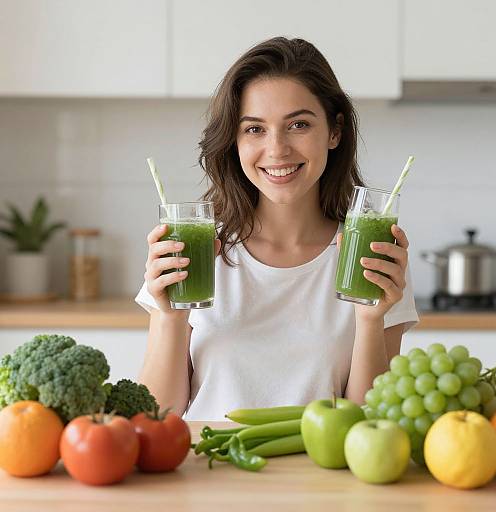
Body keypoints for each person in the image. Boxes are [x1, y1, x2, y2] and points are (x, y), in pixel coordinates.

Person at [135, 37, 419, 420]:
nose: (277, 149)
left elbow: (370, 427)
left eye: (298, 124)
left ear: (334, 131)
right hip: (209, 473)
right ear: (234, 140)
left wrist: (370, 320)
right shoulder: (197, 250)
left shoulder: (371, 259)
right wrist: (170, 317)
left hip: (323, 478)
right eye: (254, 129)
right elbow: (156, 417)